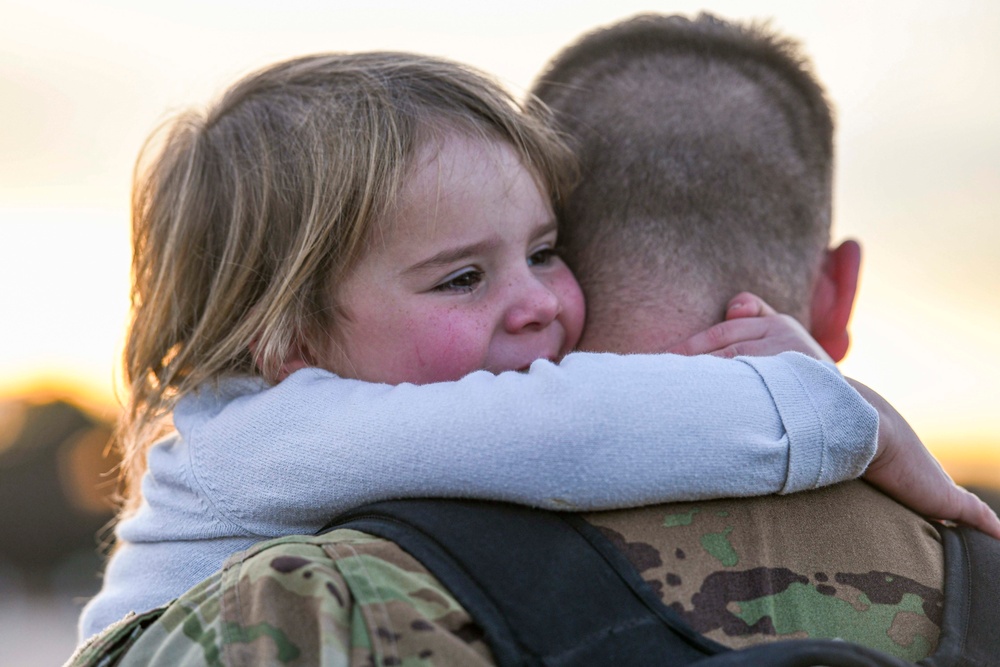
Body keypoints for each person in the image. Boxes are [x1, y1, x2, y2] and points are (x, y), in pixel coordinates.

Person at [69, 24, 1000, 666]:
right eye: (462, 277)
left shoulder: (357, 451)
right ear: (291, 339)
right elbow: (572, 427)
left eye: (546, 252)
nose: (536, 304)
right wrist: (824, 406)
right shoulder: (267, 438)